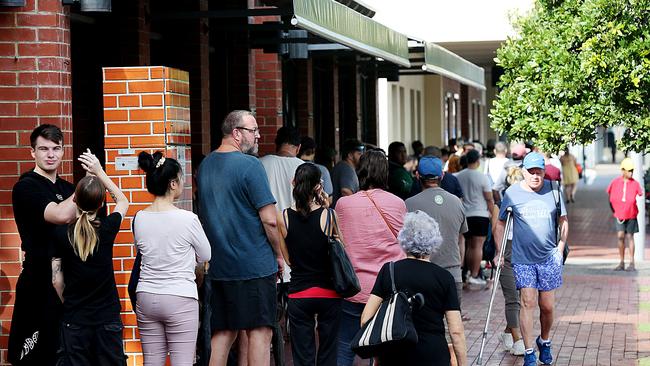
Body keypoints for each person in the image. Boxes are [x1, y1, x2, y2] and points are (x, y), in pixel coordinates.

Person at [197, 110, 284, 366]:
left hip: (220, 266)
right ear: (236, 133)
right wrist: (279, 254)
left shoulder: (205, 166)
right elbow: (269, 219)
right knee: (261, 331)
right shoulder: (250, 165)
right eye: (253, 130)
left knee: (224, 332)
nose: (258, 136)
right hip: (254, 265)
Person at [51, 150, 129, 365]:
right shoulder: (107, 227)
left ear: (74, 199)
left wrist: (71, 303)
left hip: (75, 319)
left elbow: (56, 281)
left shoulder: (60, 233)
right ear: (102, 204)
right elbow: (122, 201)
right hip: (107, 318)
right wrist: (99, 171)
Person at [134, 152, 212, 365]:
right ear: (173, 184)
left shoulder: (139, 217)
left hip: (146, 295)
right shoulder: (188, 219)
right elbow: (206, 254)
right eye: (182, 178)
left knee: (151, 361)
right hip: (180, 296)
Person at [9, 124, 77, 365]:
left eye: (56, 148)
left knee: (67, 354)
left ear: (63, 151)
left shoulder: (68, 188)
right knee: (37, 357)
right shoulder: (26, 186)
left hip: (68, 280)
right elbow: (60, 215)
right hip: (38, 280)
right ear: (33, 152)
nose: (51, 154)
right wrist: (89, 185)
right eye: (44, 149)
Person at [361, 211, 467, 366]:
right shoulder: (445, 277)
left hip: (394, 355)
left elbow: (365, 319)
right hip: (433, 355)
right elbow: (456, 331)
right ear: (434, 241)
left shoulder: (389, 271)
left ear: (404, 239)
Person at [494, 152, 568, 366]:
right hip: (522, 258)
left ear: (544, 171)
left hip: (548, 257)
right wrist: (499, 251)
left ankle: (544, 341)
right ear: (523, 171)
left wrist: (560, 247)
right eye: (531, 171)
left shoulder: (553, 190)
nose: (536, 176)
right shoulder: (512, 193)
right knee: (527, 302)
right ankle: (528, 352)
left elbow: (563, 221)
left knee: (547, 306)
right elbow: (500, 223)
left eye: (539, 171)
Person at [335, 150, 406, 366]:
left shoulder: (343, 204)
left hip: (353, 286)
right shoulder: (397, 203)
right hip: (388, 288)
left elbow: (339, 242)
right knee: (385, 344)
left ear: (360, 172)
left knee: (345, 345)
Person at [277, 163, 341, 366]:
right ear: (318, 186)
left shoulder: (283, 217)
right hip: (329, 292)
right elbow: (341, 252)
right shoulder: (329, 216)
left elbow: (288, 260)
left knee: (302, 356)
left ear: (293, 183)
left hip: (299, 292)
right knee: (328, 353)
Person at [405, 157, 467, 309]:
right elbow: (461, 239)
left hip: (420, 275)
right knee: (453, 325)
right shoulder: (456, 202)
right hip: (452, 273)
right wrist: (459, 267)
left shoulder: (409, 204)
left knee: (423, 326)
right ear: (442, 175)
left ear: (418, 175)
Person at [454, 150, 495, 286]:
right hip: (480, 214)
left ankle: (464, 273)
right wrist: (492, 213)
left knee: (466, 245)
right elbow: (489, 198)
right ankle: (475, 274)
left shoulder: (458, 176)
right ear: (477, 161)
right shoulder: (482, 177)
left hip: (463, 214)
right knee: (477, 246)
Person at [607, 157, 642, 271]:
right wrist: (615, 211)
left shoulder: (635, 184)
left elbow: (641, 194)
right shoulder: (615, 182)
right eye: (629, 170)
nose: (631, 172)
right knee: (620, 237)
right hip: (619, 215)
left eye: (632, 170)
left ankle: (632, 263)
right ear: (623, 170)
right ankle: (621, 262)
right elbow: (610, 197)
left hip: (631, 215)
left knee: (630, 237)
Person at [260, 127, 305, 211]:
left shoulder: (260, 163)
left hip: (267, 221)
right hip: (296, 221)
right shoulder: (304, 167)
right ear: (299, 148)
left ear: (276, 144)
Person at [331, 139, 364, 208]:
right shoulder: (346, 169)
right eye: (359, 154)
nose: (362, 156)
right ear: (350, 156)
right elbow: (346, 191)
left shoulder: (342, 166)